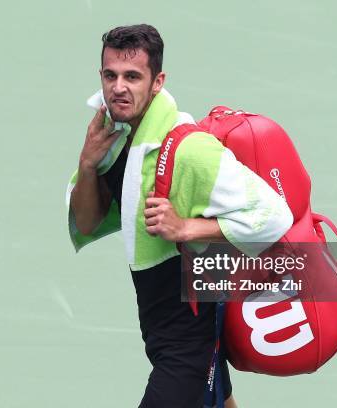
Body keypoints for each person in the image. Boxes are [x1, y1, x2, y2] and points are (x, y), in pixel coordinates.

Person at [66, 24, 293, 408]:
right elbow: (87, 223)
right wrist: (88, 166)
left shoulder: (191, 150)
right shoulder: (112, 138)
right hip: (164, 327)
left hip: (188, 338)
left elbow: (274, 216)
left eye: (133, 76)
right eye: (110, 75)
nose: (119, 87)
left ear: (158, 82)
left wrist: (185, 227)